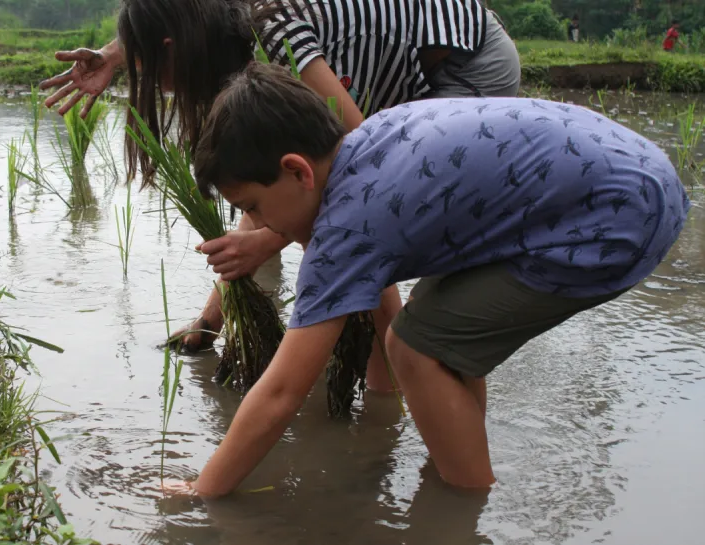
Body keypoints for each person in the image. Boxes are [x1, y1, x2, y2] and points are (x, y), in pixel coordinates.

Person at [162, 62, 689, 496]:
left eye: (253, 207)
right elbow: (375, 272)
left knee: (416, 348)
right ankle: (457, 458)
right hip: (637, 172)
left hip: (613, 222)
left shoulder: (349, 227)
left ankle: (463, 503)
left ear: (298, 171)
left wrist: (203, 489)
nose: (263, 224)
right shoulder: (369, 140)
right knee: (437, 322)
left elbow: (281, 392)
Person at [39, 0, 521, 392]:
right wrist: (113, 55)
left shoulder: (277, 35)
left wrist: (268, 239)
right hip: (378, 70)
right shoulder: (224, 31)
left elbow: (359, 171)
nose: (154, 85)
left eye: (146, 68)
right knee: (295, 196)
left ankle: (387, 397)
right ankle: (384, 375)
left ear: (173, 49)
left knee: (366, 225)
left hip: (466, 60)